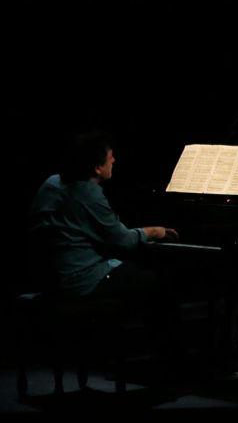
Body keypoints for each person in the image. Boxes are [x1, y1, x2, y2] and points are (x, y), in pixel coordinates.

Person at [28, 131, 185, 369]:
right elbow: (122, 241)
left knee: (142, 275)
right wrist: (153, 231)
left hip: (52, 276)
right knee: (162, 285)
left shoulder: (52, 183)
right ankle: (170, 361)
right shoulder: (87, 192)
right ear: (96, 167)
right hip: (82, 278)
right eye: (110, 158)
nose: (114, 161)